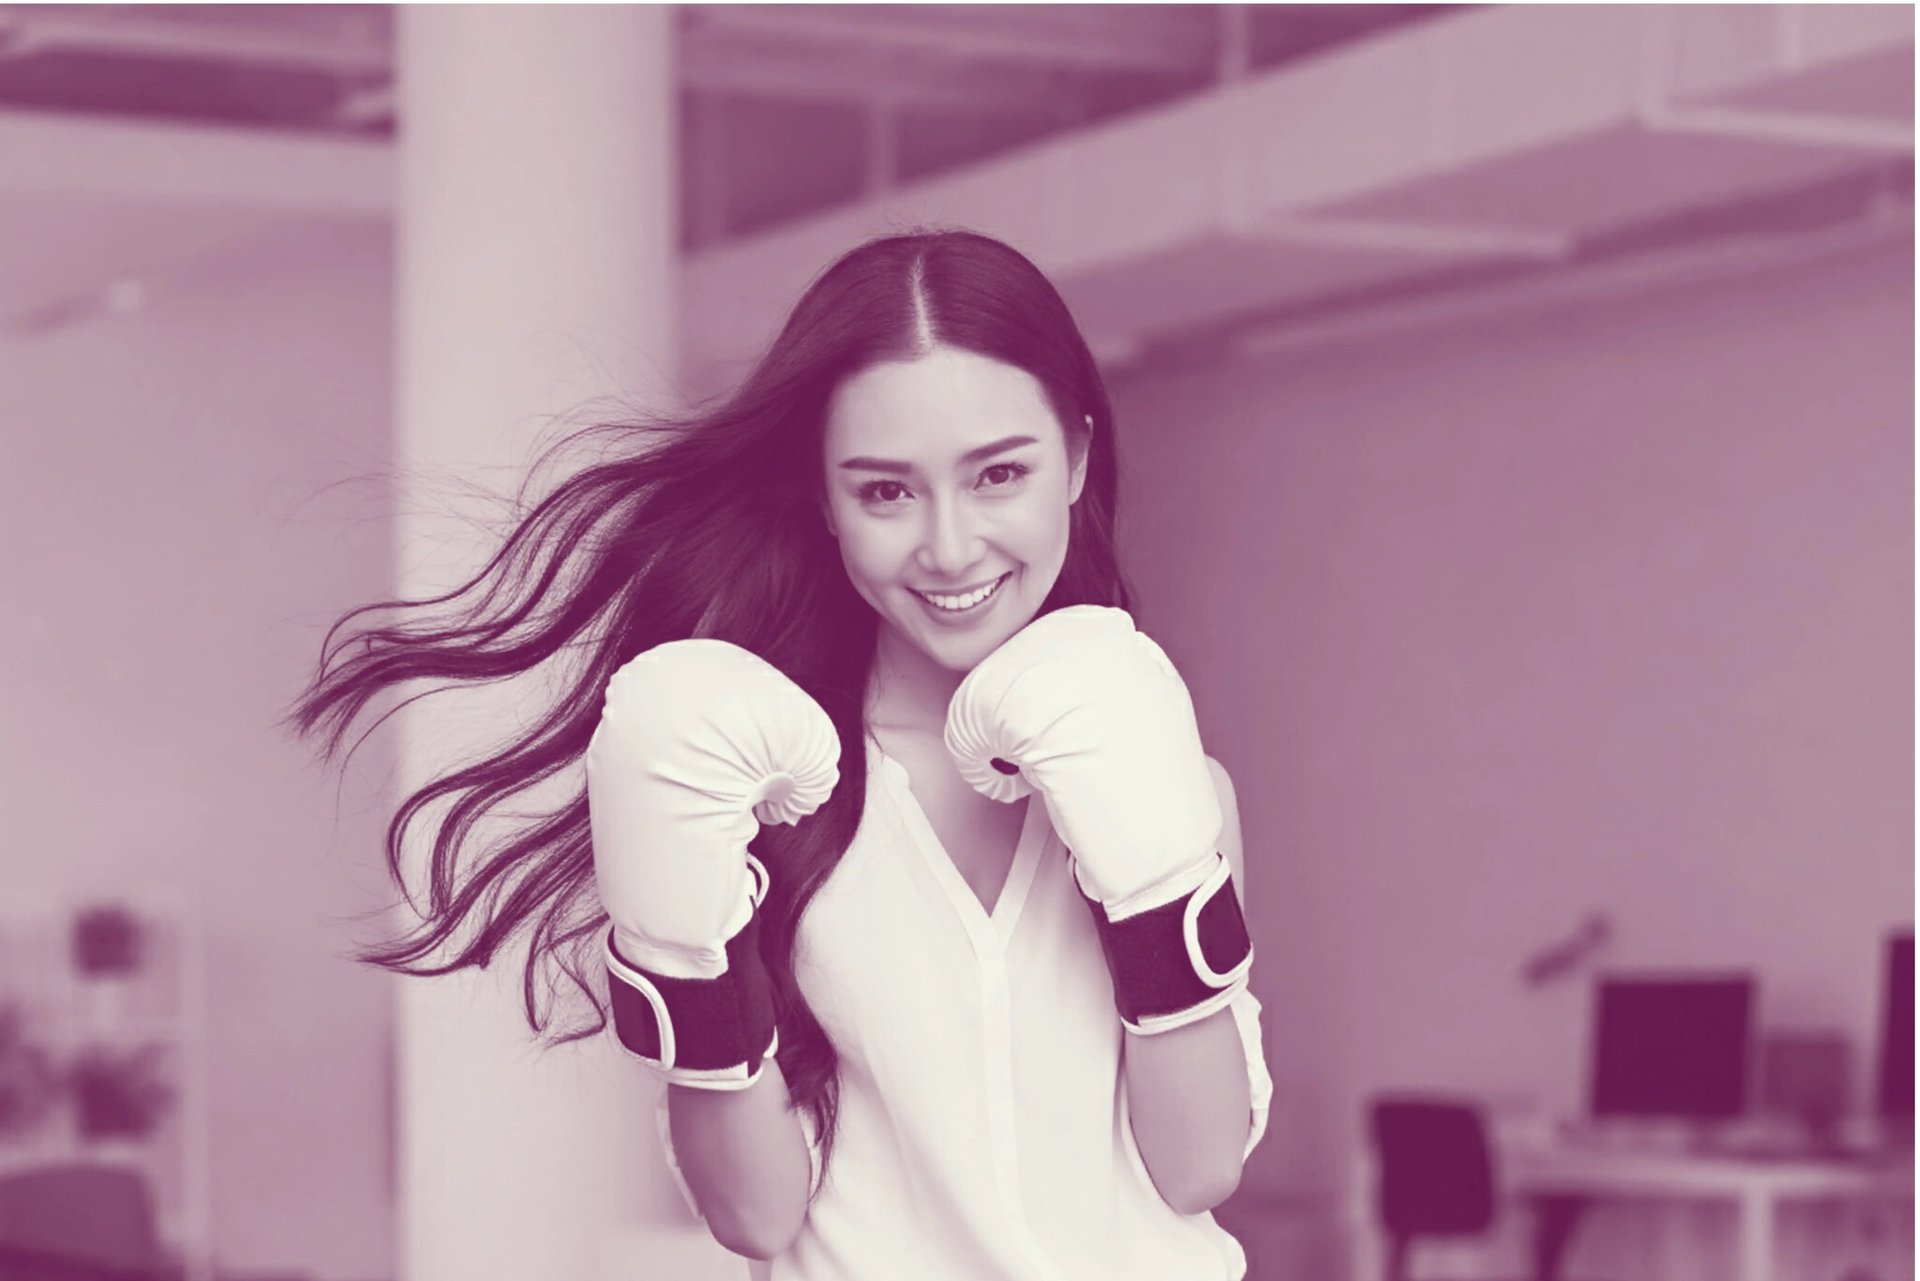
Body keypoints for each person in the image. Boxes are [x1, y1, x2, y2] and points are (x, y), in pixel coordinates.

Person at [286, 227, 1273, 1279]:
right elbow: (756, 1216)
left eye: (998, 474)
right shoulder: (752, 795)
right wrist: (680, 952)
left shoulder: (1169, 777)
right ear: (825, 499)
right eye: (886, 491)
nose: (948, 546)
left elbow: (1198, 1167)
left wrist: (1158, 896)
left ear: (1075, 457)